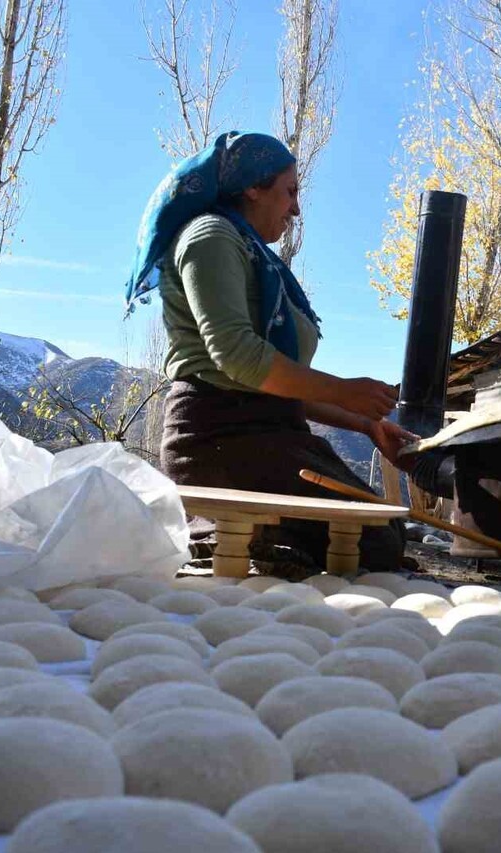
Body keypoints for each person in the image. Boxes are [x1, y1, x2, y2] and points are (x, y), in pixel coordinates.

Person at [125, 131, 416, 572]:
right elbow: (238, 357)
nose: (296, 209)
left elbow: (277, 384)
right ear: (253, 187)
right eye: (290, 192)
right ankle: (218, 535)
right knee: (370, 544)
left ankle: (252, 537)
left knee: (385, 532)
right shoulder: (210, 237)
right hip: (218, 439)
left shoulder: (251, 251)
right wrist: (342, 390)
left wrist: (366, 425)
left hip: (268, 433)